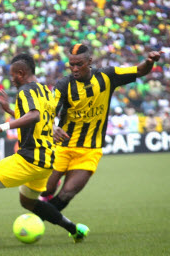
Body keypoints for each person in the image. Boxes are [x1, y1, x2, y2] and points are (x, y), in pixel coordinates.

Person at [0, 53, 89, 251]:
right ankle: (75, 229)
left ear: (21, 73)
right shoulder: (44, 90)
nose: (11, 79)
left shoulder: (25, 90)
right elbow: (41, 118)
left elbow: (34, 116)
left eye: (13, 75)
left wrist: (3, 126)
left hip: (31, 158)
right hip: (47, 160)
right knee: (28, 202)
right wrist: (10, 110)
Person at [40, 44, 162, 212]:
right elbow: (50, 109)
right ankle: (47, 204)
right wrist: (53, 126)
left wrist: (149, 61)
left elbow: (139, 71)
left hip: (90, 149)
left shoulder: (108, 76)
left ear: (89, 61)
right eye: (71, 64)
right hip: (63, 147)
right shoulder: (63, 84)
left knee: (67, 193)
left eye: (79, 64)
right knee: (46, 190)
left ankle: (41, 217)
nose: (74, 69)